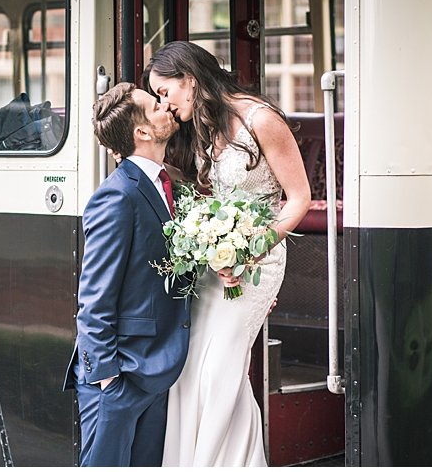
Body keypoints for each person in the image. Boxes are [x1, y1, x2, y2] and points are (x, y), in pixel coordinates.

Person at [144, 41, 312, 467]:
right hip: (217, 267)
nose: (164, 104)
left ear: (190, 79)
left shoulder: (261, 119)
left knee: (220, 369)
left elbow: (299, 199)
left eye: (165, 92)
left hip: (257, 264)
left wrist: (252, 249)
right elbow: (211, 195)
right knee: (190, 369)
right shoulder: (204, 126)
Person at [64, 82, 191, 466]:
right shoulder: (117, 196)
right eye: (156, 105)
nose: (166, 106)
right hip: (120, 378)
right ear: (142, 132)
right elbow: (94, 297)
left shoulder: (168, 185)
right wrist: (107, 379)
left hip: (155, 372)